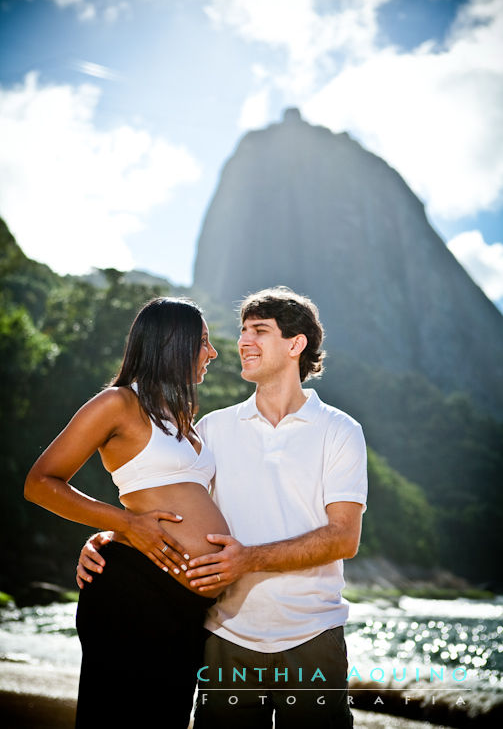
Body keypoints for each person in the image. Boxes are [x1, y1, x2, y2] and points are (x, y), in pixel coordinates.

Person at [78, 286, 368, 729]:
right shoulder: (208, 430)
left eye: (259, 331)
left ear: (296, 344)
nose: (242, 342)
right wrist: (109, 535)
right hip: (223, 633)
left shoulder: (340, 431)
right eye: (243, 330)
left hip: (313, 635)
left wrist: (248, 559)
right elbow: (163, 494)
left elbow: (344, 538)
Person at [24, 297, 230, 729]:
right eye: (204, 342)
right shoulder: (118, 404)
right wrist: (122, 525)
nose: (211, 353)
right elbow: (41, 482)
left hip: (186, 608)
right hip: (132, 594)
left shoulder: (185, 420)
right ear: (173, 344)